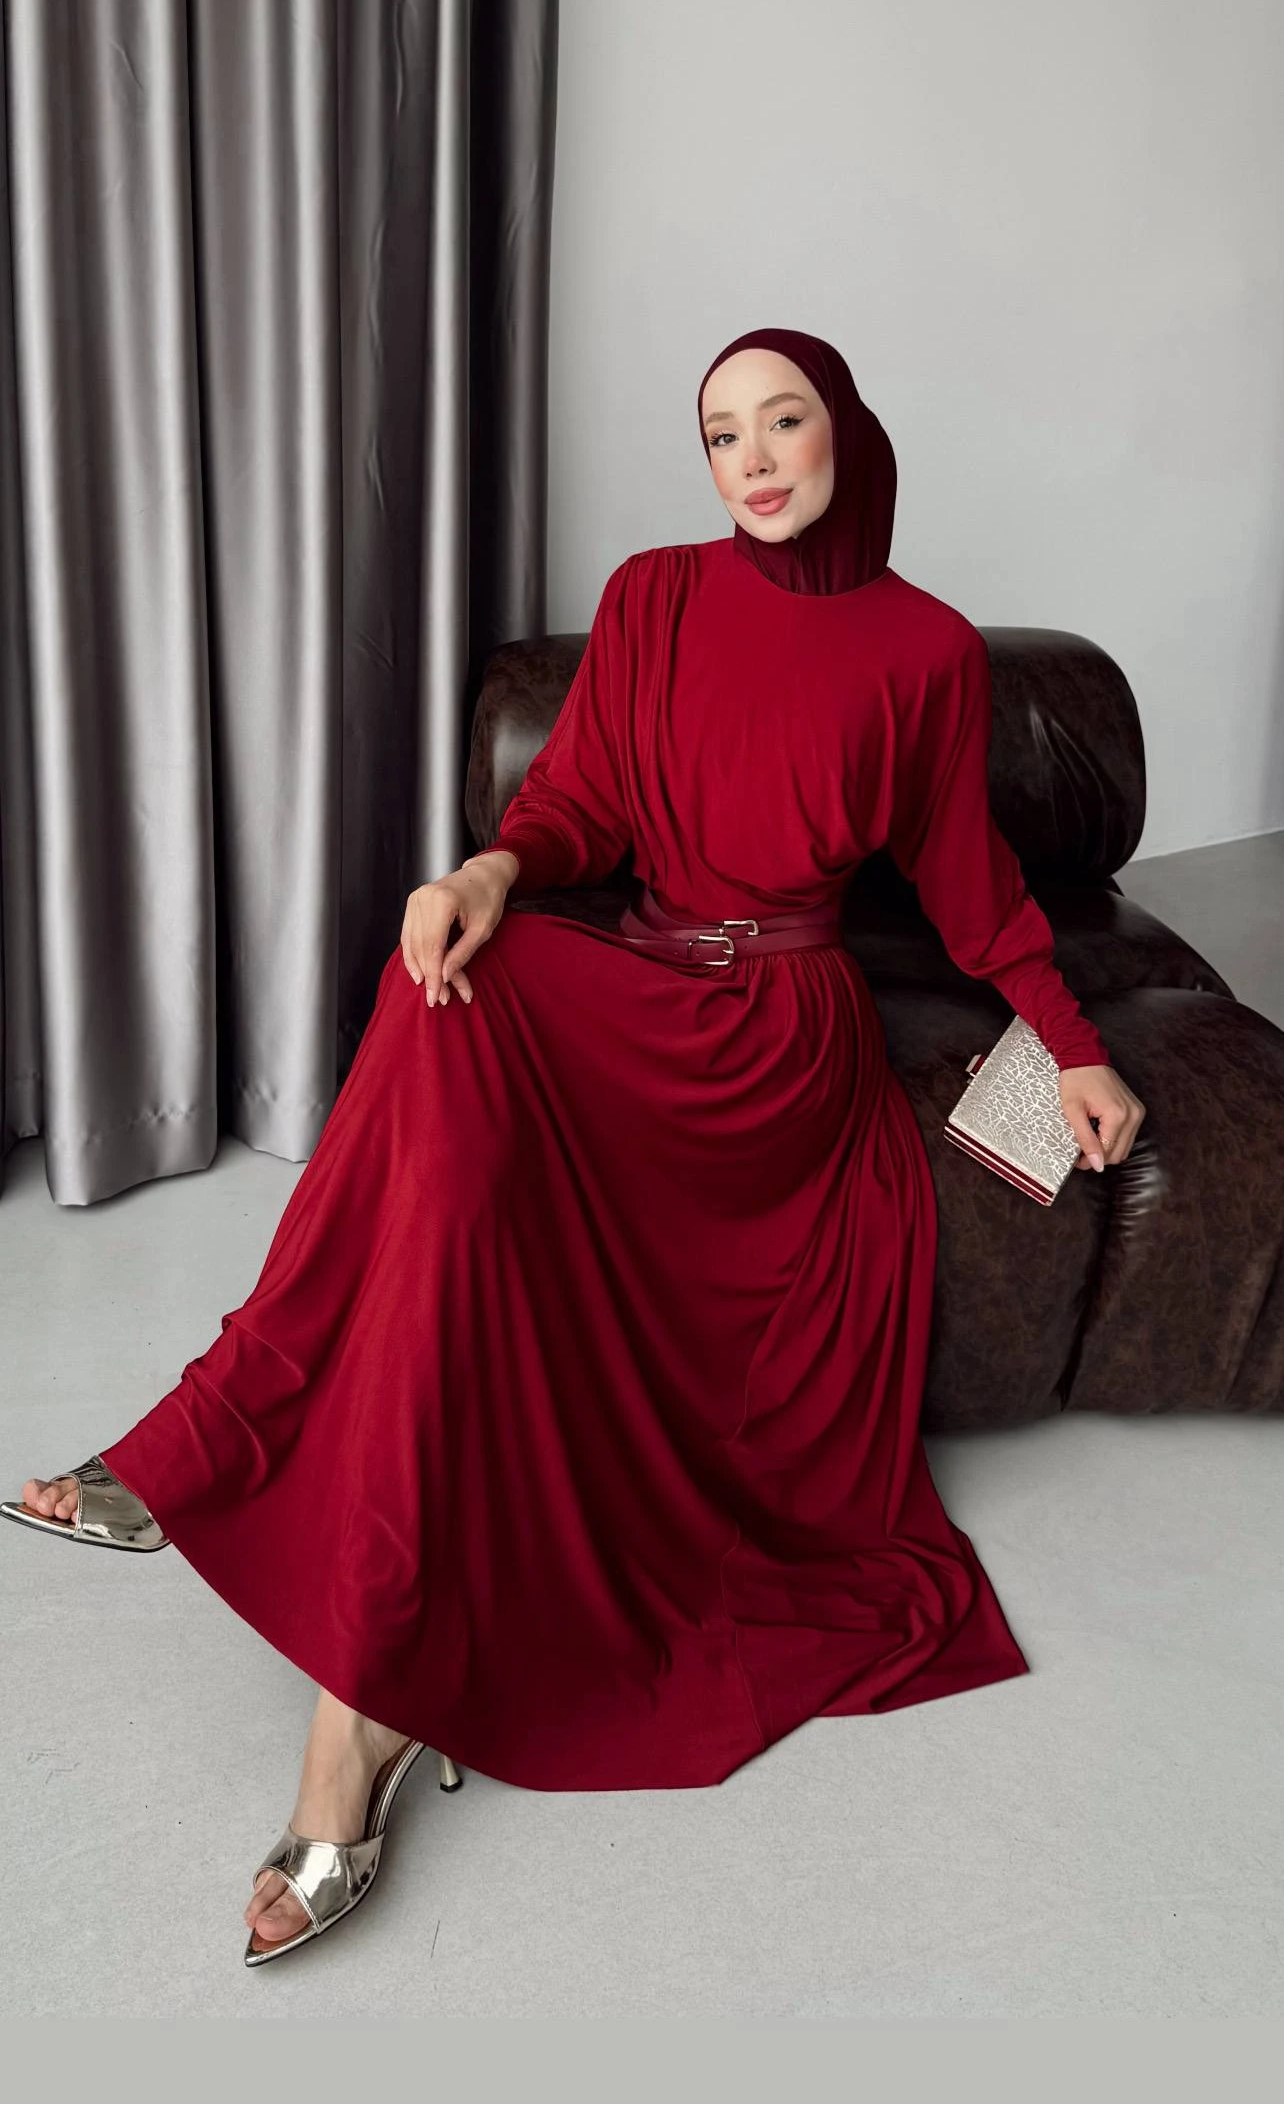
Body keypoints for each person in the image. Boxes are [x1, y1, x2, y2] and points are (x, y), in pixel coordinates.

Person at [5, 327, 1145, 1965]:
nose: (755, 460)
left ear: (844, 432)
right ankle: (225, 1437)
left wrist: (1076, 1046)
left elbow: (975, 890)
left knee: (455, 1172)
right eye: (723, 434)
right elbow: (580, 807)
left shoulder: (926, 653)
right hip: (638, 979)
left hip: (778, 1050)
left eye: (785, 421)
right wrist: (487, 873)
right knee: (439, 999)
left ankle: (342, 1702)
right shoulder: (654, 596)